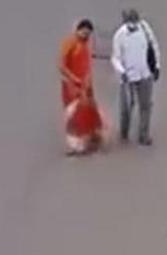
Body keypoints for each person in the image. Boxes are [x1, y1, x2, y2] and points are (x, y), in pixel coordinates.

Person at [111, 9, 160, 146]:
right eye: (130, 22)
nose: (133, 24)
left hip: (145, 74)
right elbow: (115, 58)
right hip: (128, 78)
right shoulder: (119, 35)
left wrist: (157, 66)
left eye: (135, 21)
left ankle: (144, 136)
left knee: (146, 106)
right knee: (126, 108)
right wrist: (122, 72)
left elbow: (154, 46)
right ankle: (124, 134)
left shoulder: (145, 28)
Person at [59, 19, 103, 155]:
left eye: (88, 34)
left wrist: (88, 82)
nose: (86, 35)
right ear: (78, 30)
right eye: (84, 32)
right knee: (73, 115)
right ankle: (75, 145)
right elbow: (62, 66)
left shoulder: (86, 44)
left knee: (89, 112)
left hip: (86, 86)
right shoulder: (69, 43)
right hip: (71, 87)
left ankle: (92, 139)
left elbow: (87, 65)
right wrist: (75, 79)